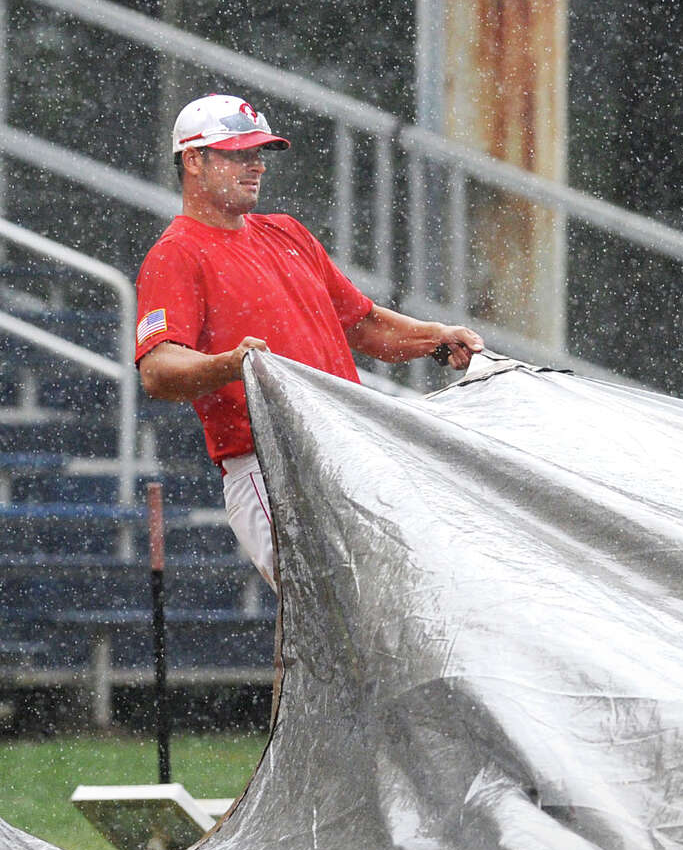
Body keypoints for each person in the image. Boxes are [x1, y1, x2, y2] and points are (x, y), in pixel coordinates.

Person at [135, 94, 483, 591]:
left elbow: (362, 324)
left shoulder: (287, 232)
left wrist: (435, 337)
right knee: (334, 611)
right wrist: (231, 365)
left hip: (345, 448)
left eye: (260, 153)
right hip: (269, 464)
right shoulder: (176, 254)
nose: (256, 165)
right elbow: (158, 369)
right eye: (239, 153)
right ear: (194, 159)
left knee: (382, 609)